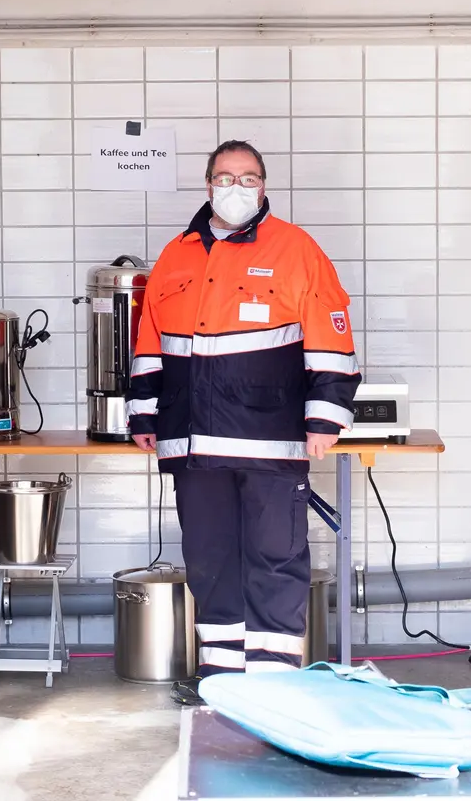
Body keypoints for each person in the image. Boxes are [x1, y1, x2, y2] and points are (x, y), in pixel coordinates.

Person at [126, 140, 361, 706]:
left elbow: (332, 341)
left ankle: (275, 683)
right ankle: (222, 679)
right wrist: (143, 410)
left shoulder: (297, 249)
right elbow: (150, 342)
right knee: (208, 559)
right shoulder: (177, 255)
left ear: (263, 185)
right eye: (225, 177)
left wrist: (326, 418)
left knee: (275, 556)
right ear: (208, 185)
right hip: (191, 440)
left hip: (272, 439)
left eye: (248, 177)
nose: (236, 188)